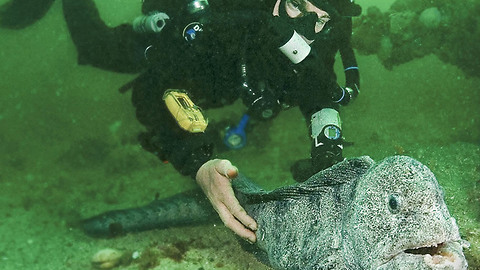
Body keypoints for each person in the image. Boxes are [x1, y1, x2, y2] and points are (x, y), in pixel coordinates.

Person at [5, 0, 362, 243]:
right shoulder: (230, 18)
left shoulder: (321, 38)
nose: (302, 24)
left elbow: (319, 94)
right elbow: (153, 91)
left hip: (224, 82)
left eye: (320, 16)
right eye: (296, 4)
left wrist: (328, 158)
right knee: (95, 47)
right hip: (172, 51)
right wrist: (199, 161)